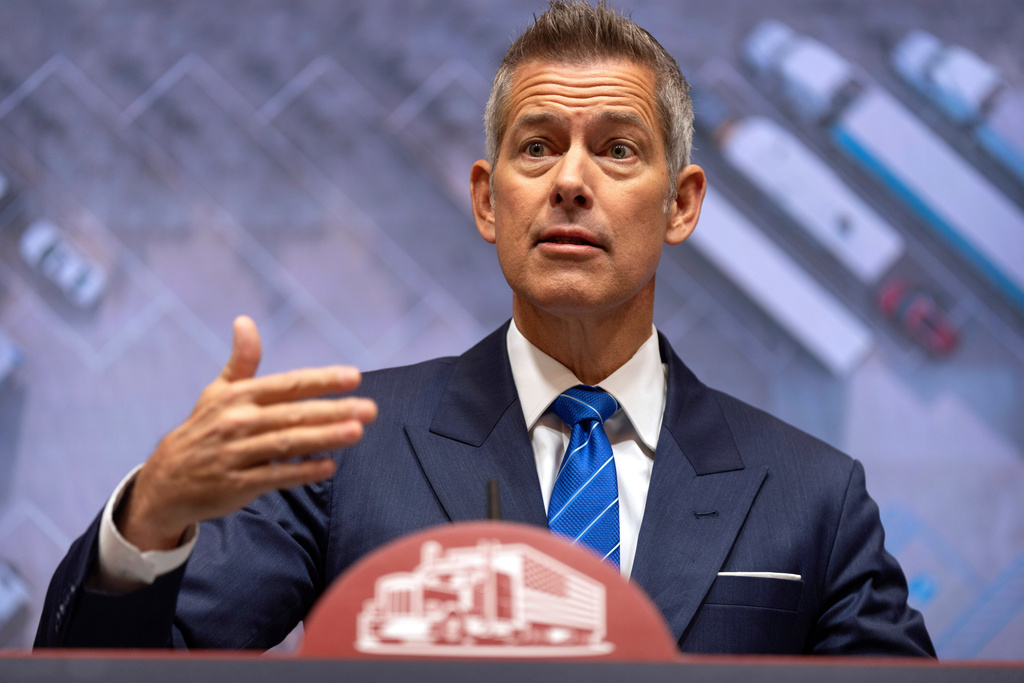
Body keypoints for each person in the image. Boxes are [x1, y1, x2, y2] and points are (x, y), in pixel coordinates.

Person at [35, 1, 933, 655]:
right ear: (486, 199)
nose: (570, 181)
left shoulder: (814, 498)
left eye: (618, 148)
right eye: (537, 146)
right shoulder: (347, 451)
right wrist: (148, 519)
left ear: (682, 204)